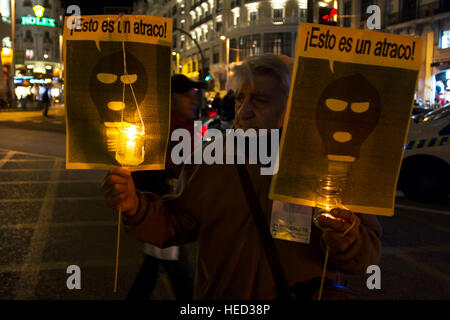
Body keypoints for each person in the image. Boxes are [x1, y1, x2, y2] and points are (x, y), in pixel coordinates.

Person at [102, 54, 382, 299]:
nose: (244, 112)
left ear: (293, 106)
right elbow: (176, 221)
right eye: (240, 99)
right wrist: (135, 206)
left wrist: (349, 241)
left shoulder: (328, 165)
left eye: (259, 101)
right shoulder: (211, 156)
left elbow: (366, 253)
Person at [126, 74, 202, 300]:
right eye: (187, 95)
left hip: (169, 216)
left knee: (154, 269)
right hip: (166, 213)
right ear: (172, 98)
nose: (193, 99)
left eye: (194, 94)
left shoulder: (183, 125)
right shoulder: (164, 128)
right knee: (180, 277)